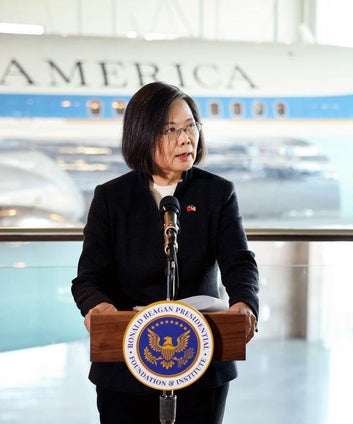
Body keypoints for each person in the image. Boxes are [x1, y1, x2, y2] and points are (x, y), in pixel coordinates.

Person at [71, 81, 259, 424]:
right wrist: (98, 307)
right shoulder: (112, 197)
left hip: (201, 358)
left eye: (191, 127)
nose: (186, 139)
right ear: (142, 134)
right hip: (126, 364)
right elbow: (88, 278)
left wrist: (244, 302)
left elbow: (239, 262)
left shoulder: (217, 192)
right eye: (171, 130)